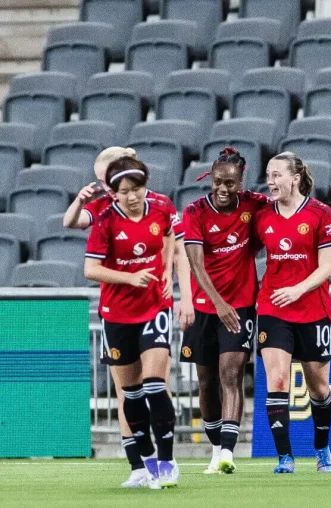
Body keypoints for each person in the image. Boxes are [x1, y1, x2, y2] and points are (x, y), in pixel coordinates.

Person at [64, 147, 193, 488]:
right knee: (130, 393)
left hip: (154, 307)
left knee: (154, 383)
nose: (132, 196)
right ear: (114, 192)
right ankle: (144, 462)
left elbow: (170, 240)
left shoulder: (162, 206)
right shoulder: (105, 218)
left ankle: (167, 461)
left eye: (136, 189)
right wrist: (129, 278)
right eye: (124, 192)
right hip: (117, 314)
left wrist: (166, 272)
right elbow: (90, 268)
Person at [182, 148, 271, 474]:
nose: (223, 189)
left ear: (241, 181)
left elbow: (291, 212)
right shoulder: (194, 212)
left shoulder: (254, 205)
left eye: (230, 184)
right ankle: (215, 447)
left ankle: (228, 453)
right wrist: (218, 303)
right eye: (218, 182)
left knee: (230, 376)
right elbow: (195, 263)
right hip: (207, 308)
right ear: (210, 178)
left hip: (241, 307)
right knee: (206, 383)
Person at [253, 152, 331, 475]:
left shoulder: (321, 213)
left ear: (295, 178)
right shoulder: (263, 215)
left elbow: (327, 267)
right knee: (277, 379)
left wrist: (298, 289)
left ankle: (321, 448)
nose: (270, 181)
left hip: (313, 309)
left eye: (277, 175)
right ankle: (285, 457)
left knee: (318, 387)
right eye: (268, 175)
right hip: (274, 305)